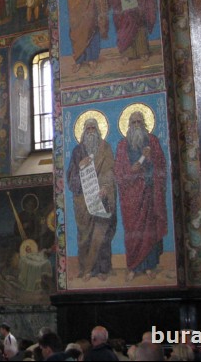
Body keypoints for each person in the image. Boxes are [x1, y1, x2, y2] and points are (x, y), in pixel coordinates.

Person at [114, 111, 168, 281]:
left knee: (148, 232)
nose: (136, 125)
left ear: (144, 124)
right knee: (133, 233)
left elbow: (161, 167)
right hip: (130, 198)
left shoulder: (153, 142)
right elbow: (118, 172)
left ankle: (149, 266)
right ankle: (133, 267)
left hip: (148, 194)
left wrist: (150, 158)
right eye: (133, 122)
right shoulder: (122, 146)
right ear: (128, 125)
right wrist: (131, 171)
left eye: (139, 122)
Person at [66, 117, 117, 281]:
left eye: (93, 128)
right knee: (85, 236)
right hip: (83, 202)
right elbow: (71, 178)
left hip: (101, 198)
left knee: (102, 236)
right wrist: (81, 165)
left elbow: (109, 170)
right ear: (83, 132)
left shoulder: (105, 148)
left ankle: (103, 269)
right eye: (87, 129)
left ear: (98, 131)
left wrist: (106, 188)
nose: (90, 132)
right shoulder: (77, 152)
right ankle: (86, 269)